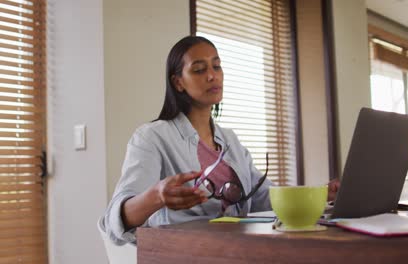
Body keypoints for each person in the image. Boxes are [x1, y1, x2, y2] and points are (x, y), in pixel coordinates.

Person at [103, 36, 340, 245]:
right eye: (198, 70)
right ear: (178, 82)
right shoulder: (152, 137)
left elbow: (263, 198)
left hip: (237, 250)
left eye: (217, 66)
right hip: (183, 253)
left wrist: (321, 193)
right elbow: (113, 221)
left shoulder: (230, 140)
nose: (211, 75)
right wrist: (157, 197)